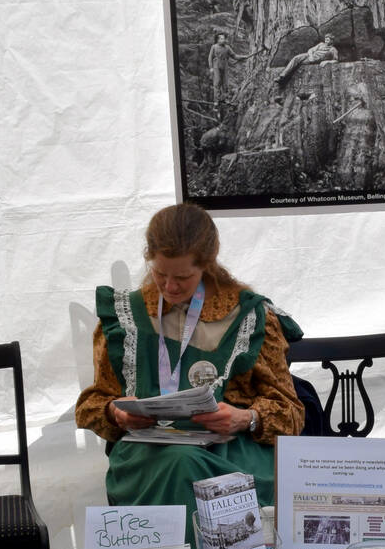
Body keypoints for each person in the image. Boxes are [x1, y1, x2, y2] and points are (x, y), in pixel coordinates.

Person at [74, 203, 305, 531]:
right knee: (178, 462)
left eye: (182, 277)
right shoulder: (125, 317)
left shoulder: (249, 317)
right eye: (159, 273)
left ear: (207, 265)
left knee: (185, 465)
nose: (169, 287)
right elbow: (90, 405)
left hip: (230, 453)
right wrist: (117, 414)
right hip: (146, 455)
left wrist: (244, 418)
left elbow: (292, 414)